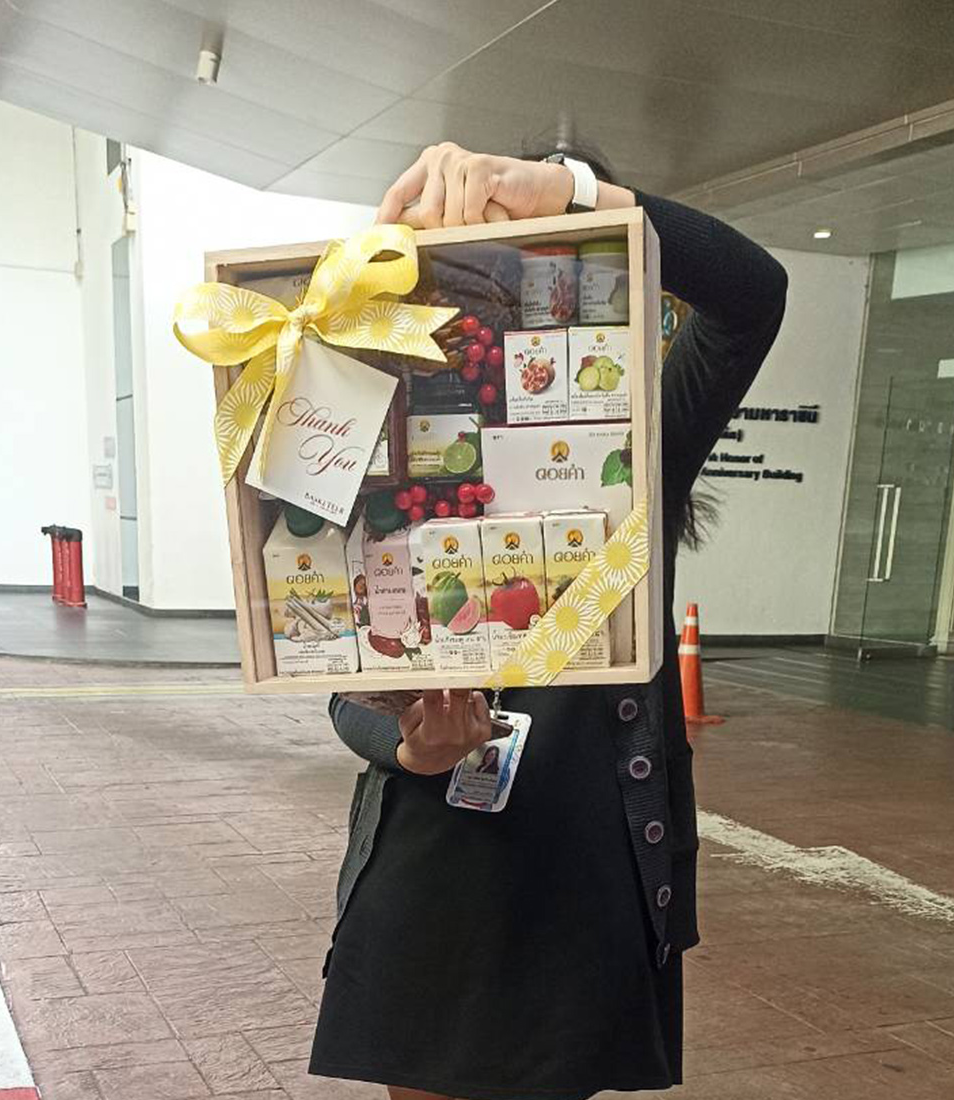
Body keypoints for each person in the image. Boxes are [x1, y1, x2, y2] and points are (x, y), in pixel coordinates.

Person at [309, 143, 788, 1100]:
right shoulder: (390, 433)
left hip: (578, 872)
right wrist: (407, 750)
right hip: (432, 852)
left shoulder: (644, 435)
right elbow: (340, 672)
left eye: (556, 272)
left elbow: (752, 293)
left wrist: (573, 192)